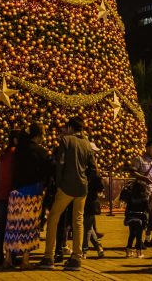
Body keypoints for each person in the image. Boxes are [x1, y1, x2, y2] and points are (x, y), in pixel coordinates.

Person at [38, 116, 94, 272]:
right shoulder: (87, 144)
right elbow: (92, 167)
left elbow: (60, 163)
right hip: (82, 188)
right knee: (78, 221)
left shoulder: (66, 140)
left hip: (66, 186)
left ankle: (48, 256)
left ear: (70, 127)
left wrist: (59, 182)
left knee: (53, 218)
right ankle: (76, 257)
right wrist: (85, 181)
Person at [4, 123, 53, 268]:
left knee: (13, 225)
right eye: (42, 135)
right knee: (29, 226)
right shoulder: (40, 152)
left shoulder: (19, 149)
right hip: (32, 193)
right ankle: (25, 260)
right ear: (37, 136)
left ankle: (8, 258)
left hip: (15, 192)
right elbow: (48, 170)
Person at [0, 130, 21, 266]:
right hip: (11, 192)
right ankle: (12, 256)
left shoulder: (4, 153)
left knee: (2, 225)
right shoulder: (15, 153)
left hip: (2, 191)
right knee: (13, 226)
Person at [131, 139, 152, 248]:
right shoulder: (139, 159)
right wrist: (143, 178)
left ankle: (148, 239)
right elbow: (132, 171)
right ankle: (138, 240)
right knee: (141, 216)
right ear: (147, 148)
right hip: (140, 193)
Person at [82, 144, 105, 259]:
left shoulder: (88, 168)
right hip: (89, 200)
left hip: (88, 201)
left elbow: (99, 186)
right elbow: (100, 187)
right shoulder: (93, 169)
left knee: (87, 227)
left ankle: (84, 251)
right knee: (88, 226)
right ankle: (98, 247)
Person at [124, 180, 149, 258]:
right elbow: (147, 209)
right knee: (139, 236)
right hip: (140, 218)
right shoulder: (144, 198)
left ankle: (128, 251)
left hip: (131, 217)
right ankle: (139, 252)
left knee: (131, 235)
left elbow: (127, 208)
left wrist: (126, 218)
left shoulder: (130, 197)